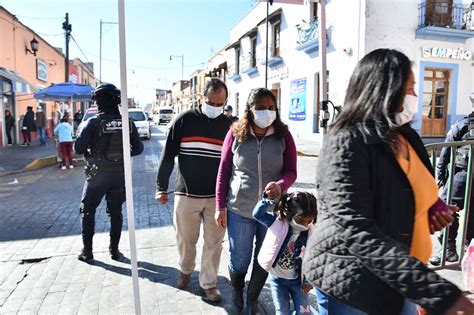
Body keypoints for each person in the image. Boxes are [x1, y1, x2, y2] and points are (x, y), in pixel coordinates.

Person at [302, 49, 474, 315]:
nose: (415, 97)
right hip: (353, 285)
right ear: (382, 90)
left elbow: (408, 186)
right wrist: (439, 295)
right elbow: (357, 231)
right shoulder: (346, 142)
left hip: (401, 279)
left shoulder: (406, 137)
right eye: (409, 89)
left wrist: (431, 207)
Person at [215, 87, 297, 313]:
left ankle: (253, 298)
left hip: (271, 213)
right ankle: (237, 290)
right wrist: (219, 206)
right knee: (239, 259)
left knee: (265, 257)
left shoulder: (284, 134)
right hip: (239, 209)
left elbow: (291, 171)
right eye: (260, 108)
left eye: (271, 108)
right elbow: (223, 171)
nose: (266, 112)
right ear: (250, 110)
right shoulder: (235, 133)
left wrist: (281, 185)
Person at [155, 78, 231, 302]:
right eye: (212, 103)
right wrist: (161, 187)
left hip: (217, 199)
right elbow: (167, 156)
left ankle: (209, 284)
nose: (216, 108)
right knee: (186, 239)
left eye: (221, 104)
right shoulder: (183, 120)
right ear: (202, 99)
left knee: (214, 243)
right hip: (186, 194)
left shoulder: (230, 126)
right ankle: (186, 269)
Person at [74, 83, 143, 262]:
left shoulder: (93, 123)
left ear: (98, 102)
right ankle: (114, 251)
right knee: (116, 212)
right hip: (119, 176)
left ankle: (87, 252)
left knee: (87, 211)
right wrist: (121, 155)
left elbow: (78, 148)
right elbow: (138, 149)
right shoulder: (127, 123)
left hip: (97, 176)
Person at [252, 191, 316, 315]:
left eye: (310, 220)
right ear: (291, 215)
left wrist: (309, 281)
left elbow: (313, 258)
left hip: (299, 282)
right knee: (282, 312)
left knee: (305, 313)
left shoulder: (311, 231)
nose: (307, 224)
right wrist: (269, 200)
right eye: (302, 220)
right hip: (277, 280)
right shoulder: (278, 222)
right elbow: (257, 215)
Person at [430, 111, 474, 266]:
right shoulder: (462, 124)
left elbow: (446, 150)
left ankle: (448, 250)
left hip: (462, 176)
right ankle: (469, 250)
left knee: (447, 208)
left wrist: (440, 173)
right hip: (462, 174)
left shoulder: (461, 124)